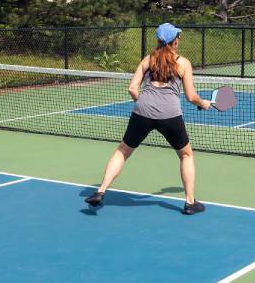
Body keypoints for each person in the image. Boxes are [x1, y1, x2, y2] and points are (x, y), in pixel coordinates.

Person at [85, 23, 212, 215]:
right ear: (174, 40)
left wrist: (144, 104)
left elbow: (132, 88)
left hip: (142, 112)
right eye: (178, 37)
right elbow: (191, 96)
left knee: (123, 151)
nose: (179, 40)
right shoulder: (183, 63)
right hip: (170, 115)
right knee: (186, 155)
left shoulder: (148, 60)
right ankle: (190, 202)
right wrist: (203, 104)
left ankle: (100, 191)